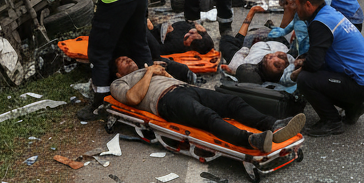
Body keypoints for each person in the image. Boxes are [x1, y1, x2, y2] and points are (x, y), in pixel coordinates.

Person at [110, 57, 305, 153]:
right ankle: (251, 140)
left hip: (184, 88)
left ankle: (273, 125)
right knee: (207, 116)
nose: (127, 59)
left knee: (232, 102)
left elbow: (174, 78)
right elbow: (133, 99)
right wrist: (150, 73)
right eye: (122, 61)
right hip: (166, 101)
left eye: (128, 57)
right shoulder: (119, 83)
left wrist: (162, 73)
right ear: (118, 73)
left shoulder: (151, 66)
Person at [278, 0, 364, 137]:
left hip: (360, 84)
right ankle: (353, 107)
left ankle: (331, 122)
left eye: (297, 6)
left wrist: (294, 73)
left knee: (305, 79)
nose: (296, 10)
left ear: (309, 5)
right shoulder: (327, 13)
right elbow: (318, 55)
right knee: (315, 74)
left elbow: (313, 64)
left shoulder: (320, 24)